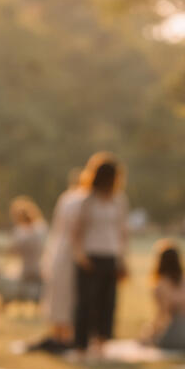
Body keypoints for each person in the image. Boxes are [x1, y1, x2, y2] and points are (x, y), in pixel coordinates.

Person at [70, 152, 129, 358]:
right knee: (87, 302)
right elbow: (76, 232)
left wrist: (122, 259)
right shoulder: (87, 200)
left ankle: (102, 343)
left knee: (107, 302)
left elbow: (122, 232)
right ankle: (81, 344)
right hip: (89, 256)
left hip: (110, 255)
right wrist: (80, 255)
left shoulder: (119, 201)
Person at [33, 169, 86, 352]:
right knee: (66, 293)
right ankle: (63, 335)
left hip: (63, 250)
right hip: (70, 252)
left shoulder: (68, 198)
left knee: (63, 294)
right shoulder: (77, 199)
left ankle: (61, 334)